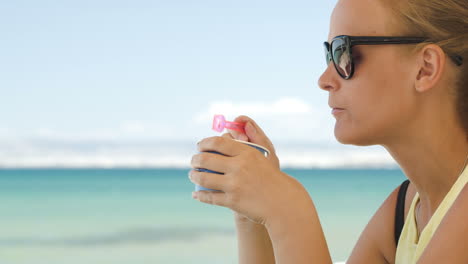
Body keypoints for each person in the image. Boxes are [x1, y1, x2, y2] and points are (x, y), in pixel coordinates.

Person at [189, 0, 468, 262]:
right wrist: (252, 216)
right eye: (328, 54)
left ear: (425, 69)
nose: (324, 80)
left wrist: (288, 211)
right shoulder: (403, 212)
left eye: (344, 52)